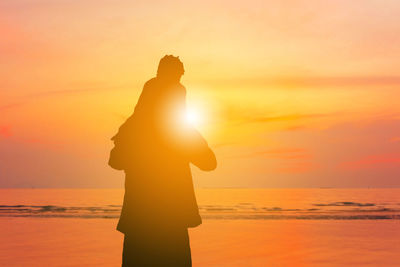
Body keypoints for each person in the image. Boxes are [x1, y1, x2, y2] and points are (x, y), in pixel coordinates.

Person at [109, 55, 217, 266]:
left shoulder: (134, 129)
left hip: (139, 225)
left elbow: (115, 161)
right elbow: (209, 163)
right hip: (170, 224)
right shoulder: (179, 131)